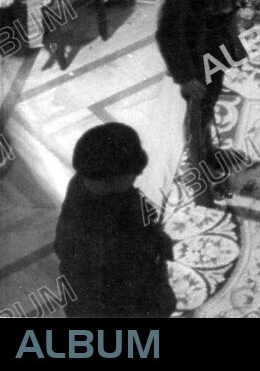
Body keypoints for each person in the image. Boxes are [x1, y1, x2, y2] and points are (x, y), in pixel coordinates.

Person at [154, 0, 245, 203]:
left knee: (209, 104)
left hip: (213, 41)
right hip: (195, 56)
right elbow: (166, 31)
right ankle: (199, 182)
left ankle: (208, 153)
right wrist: (185, 76)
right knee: (197, 116)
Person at [54, 123, 177, 318]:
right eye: (131, 174)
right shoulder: (91, 237)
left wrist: (155, 237)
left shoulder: (87, 181)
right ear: (110, 179)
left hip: (129, 278)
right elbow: (92, 295)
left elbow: (135, 208)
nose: (137, 176)